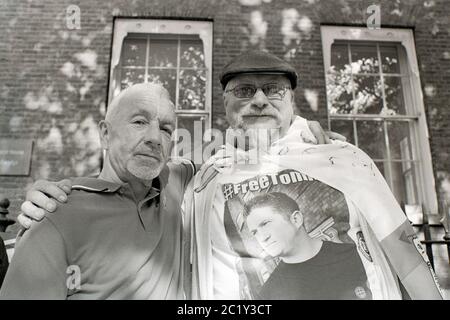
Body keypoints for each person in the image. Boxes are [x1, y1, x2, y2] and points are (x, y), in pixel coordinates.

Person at [18, 51, 443, 300]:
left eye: (273, 90)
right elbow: (121, 175)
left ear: (291, 101)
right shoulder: (205, 178)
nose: (259, 100)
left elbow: (406, 253)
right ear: (225, 105)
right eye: (244, 91)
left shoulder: (341, 158)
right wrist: (55, 194)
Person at [0, 83, 195, 299]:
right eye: (139, 122)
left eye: (165, 129)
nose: (155, 138)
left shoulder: (175, 181)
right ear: (105, 134)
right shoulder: (55, 214)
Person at [244, 192, 372, 300]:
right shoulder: (268, 295)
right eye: (255, 233)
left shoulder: (355, 257)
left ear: (296, 219)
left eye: (265, 223)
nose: (262, 238)